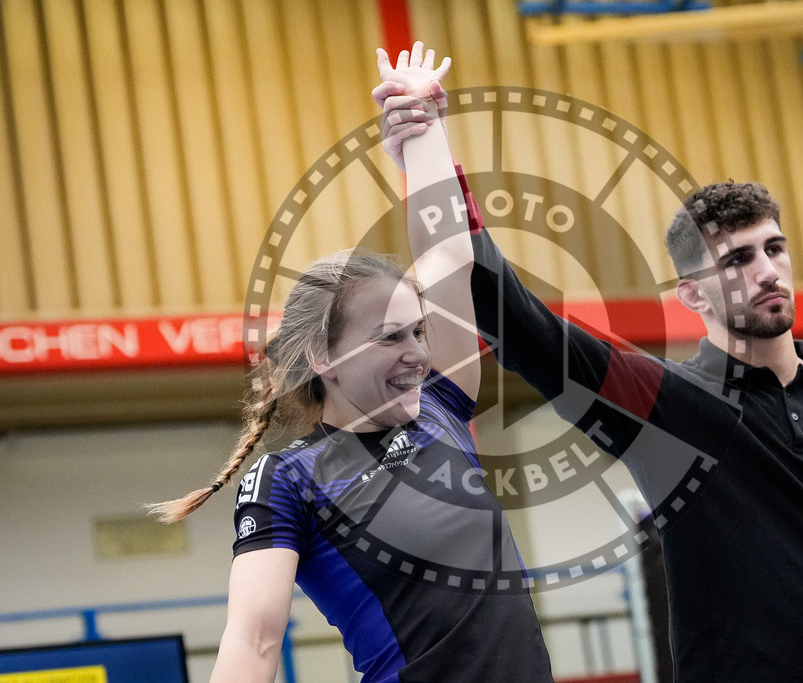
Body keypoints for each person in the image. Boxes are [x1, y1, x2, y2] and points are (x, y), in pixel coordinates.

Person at [376, 69, 803, 681]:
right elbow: (512, 317)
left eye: (774, 248)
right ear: (692, 295)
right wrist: (430, 153)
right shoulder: (666, 406)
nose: (766, 271)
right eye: (737, 260)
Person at [149, 43, 554, 683]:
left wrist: (422, 131)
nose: (417, 354)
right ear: (323, 357)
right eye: (391, 338)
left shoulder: (442, 409)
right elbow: (254, 640)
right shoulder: (288, 479)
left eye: (419, 332)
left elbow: (447, 259)